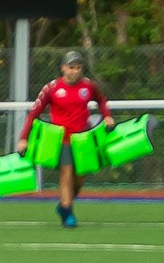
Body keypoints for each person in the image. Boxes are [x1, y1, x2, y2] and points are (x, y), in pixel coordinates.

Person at [17, 49, 113, 227]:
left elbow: (101, 99)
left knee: (80, 177)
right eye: (71, 67)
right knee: (66, 174)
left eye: (78, 67)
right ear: (63, 68)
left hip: (84, 139)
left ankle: (63, 205)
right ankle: (68, 213)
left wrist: (107, 115)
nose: (75, 71)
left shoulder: (88, 86)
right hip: (63, 140)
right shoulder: (52, 88)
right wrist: (24, 138)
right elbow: (34, 113)